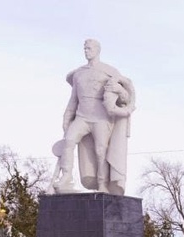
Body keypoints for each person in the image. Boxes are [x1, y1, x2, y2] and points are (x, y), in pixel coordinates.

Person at [54, 39, 135, 196]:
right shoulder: (79, 73)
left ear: (97, 50)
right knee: (69, 141)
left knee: (101, 151)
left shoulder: (109, 71)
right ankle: (66, 176)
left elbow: (125, 97)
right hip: (82, 117)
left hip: (101, 118)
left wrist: (119, 89)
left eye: (89, 48)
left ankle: (102, 183)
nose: (86, 51)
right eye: (84, 48)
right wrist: (66, 117)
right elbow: (73, 99)